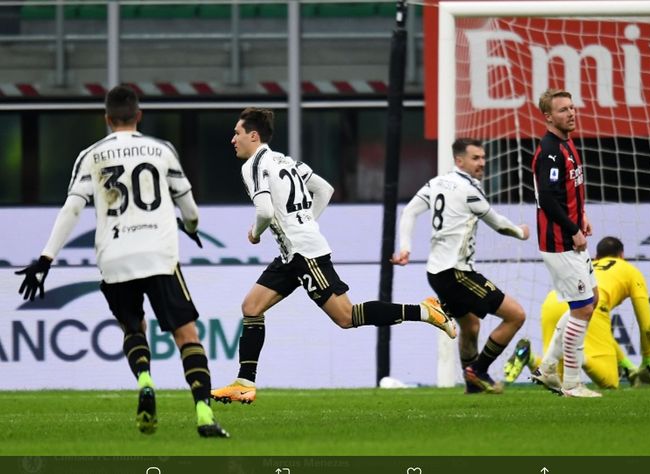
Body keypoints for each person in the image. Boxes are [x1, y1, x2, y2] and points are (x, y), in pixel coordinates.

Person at [15, 85, 229, 438]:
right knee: (186, 335)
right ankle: (204, 414)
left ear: (107, 119)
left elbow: (72, 208)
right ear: (139, 115)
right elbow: (189, 209)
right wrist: (190, 227)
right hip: (159, 255)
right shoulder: (161, 150)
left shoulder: (91, 155)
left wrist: (45, 258)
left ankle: (145, 379)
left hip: (114, 257)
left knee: (133, 328)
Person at [211, 107, 456, 404]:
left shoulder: (253, 166)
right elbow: (324, 189)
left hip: (304, 254)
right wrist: (305, 222)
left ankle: (425, 311)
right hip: (293, 253)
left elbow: (264, 211)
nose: (232, 140)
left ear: (253, 135)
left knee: (346, 317)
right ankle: (244, 383)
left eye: (237, 133)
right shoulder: (285, 161)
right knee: (251, 306)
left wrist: (256, 233)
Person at [391, 138, 529, 394]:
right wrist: (520, 232)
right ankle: (478, 370)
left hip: (436, 273)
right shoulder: (469, 191)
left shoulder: (436, 183)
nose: (482, 163)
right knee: (516, 315)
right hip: (457, 272)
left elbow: (409, 211)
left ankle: (472, 387)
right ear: (459, 160)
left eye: (483, 158)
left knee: (471, 326)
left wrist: (406, 248)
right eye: (475, 158)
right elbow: (498, 223)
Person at [503, 237, 650, 389]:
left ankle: (528, 357)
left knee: (555, 379)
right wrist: (646, 363)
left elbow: (605, 337)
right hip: (588, 303)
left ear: (597, 257)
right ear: (622, 255)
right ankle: (576, 356)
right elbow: (647, 327)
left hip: (553, 301)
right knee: (610, 381)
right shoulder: (630, 270)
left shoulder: (588, 265)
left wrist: (628, 367)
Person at [529, 88, 600, 398]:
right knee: (582, 308)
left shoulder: (567, 143)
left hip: (571, 237)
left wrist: (581, 215)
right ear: (548, 117)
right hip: (559, 242)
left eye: (572, 107)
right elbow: (547, 197)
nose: (571, 113)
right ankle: (571, 382)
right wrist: (572, 229)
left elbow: (570, 190)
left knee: (590, 300)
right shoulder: (550, 150)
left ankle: (546, 370)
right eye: (563, 110)